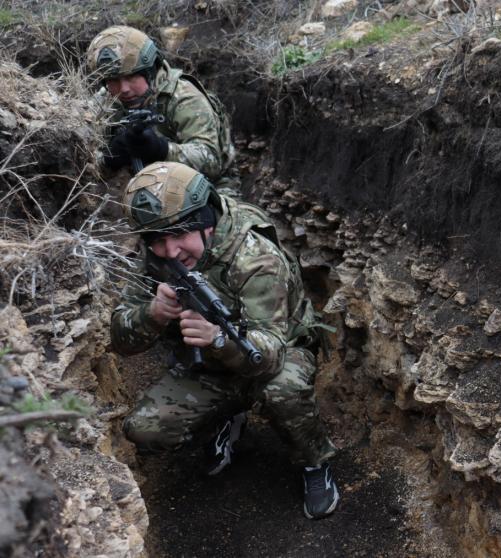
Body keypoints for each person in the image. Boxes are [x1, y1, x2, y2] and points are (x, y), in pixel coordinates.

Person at [110, 161, 338, 519]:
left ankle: (314, 461)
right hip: (210, 369)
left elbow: (273, 355)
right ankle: (227, 417)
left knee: (282, 391)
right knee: (144, 429)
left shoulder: (256, 258)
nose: (170, 252)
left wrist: (218, 339)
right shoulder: (154, 258)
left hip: (276, 354)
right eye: (157, 241)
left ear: (207, 221)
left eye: (180, 234)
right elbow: (120, 339)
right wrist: (153, 314)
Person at [86, 25, 238, 193]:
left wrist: (161, 149)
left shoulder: (183, 97)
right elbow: (80, 169)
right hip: (139, 190)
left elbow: (211, 161)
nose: (124, 89)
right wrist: (108, 159)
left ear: (150, 70)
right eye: (113, 80)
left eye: (131, 76)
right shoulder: (103, 103)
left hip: (205, 189)